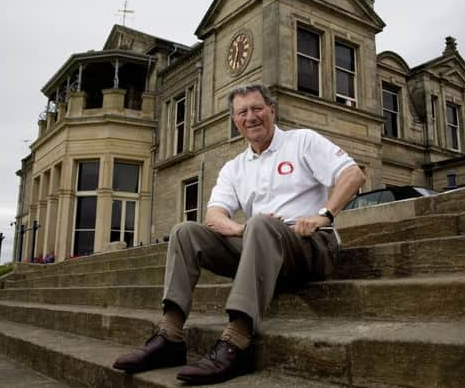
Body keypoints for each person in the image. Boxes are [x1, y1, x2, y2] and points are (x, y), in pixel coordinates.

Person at [113, 83, 365, 384]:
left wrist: (324, 214)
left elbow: (353, 174)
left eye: (257, 109)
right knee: (185, 232)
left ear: (272, 110)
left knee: (260, 224)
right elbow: (213, 216)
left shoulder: (302, 141)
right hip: (259, 245)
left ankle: (237, 340)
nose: (251, 117)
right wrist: (241, 229)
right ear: (235, 120)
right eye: (242, 112)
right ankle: (170, 335)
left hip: (309, 246)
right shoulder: (234, 167)